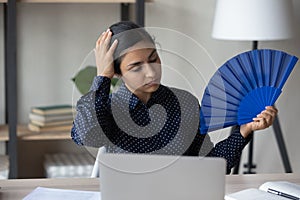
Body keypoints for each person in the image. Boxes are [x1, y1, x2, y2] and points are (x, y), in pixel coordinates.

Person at [71, 21, 278, 174]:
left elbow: (210, 166)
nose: (151, 73)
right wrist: (102, 77)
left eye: (154, 59)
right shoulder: (109, 108)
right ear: (116, 72)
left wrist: (243, 132)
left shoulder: (185, 103)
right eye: (136, 67)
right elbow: (87, 136)